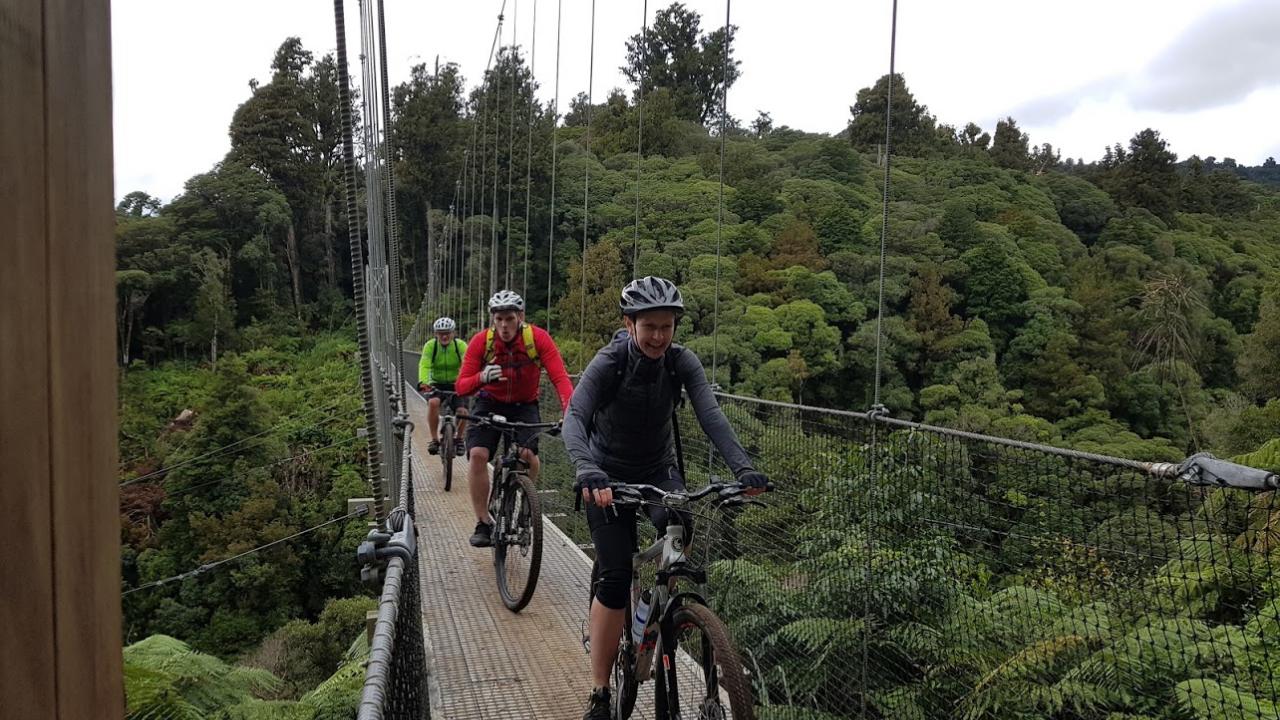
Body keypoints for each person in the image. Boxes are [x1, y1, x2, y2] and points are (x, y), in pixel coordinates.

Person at [560, 276, 768, 719]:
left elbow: (710, 413)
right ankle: (600, 692)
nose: (658, 336)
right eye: (649, 326)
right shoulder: (609, 361)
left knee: (679, 529)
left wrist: (743, 467)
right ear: (629, 323)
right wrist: (587, 467)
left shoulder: (681, 362)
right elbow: (575, 416)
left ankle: (654, 612)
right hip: (607, 475)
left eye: (666, 327)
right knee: (615, 577)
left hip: (658, 470)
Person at [455, 290, 574, 548]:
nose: (504, 325)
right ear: (493, 319)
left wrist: (570, 413)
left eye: (509, 318)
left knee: (529, 457)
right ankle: (483, 522)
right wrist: (482, 378)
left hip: (524, 405)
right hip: (489, 401)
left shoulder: (537, 339)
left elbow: (560, 378)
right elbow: (462, 387)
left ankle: (525, 505)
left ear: (520, 316)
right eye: (499, 319)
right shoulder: (481, 343)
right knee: (477, 454)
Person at [418, 317, 469, 457]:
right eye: (441, 333)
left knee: (463, 411)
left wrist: (469, 381)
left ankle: (459, 439)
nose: (444, 336)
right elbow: (425, 365)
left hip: (457, 383)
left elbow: (468, 364)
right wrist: (424, 382)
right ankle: (434, 439)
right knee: (433, 402)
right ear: (436, 334)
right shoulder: (430, 346)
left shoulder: (460, 346)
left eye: (447, 332)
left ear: (453, 333)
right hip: (436, 382)